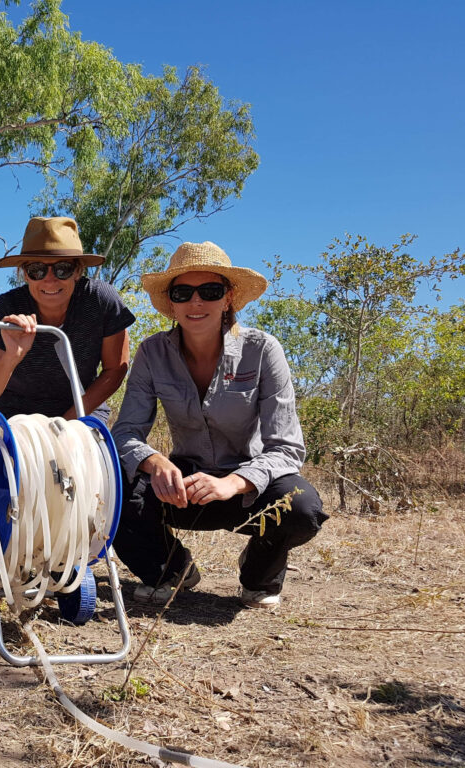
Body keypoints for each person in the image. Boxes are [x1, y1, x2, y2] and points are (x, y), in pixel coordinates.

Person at [111, 241, 327, 609]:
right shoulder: (152, 352)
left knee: (302, 508)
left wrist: (232, 483)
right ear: (172, 303)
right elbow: (125, 432)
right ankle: (172, 570)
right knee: (112, 490)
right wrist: (155, 462)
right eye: (183, 293)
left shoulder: (262, 349)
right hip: (186, 485)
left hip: (250, 487)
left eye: (209, 291)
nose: (196, 303)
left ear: (228, 298)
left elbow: (287, 447)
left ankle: (259, 574)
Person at [0, 216, 135, 421]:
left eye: (62, 268)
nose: (49, 279)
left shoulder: (100, 300)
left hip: (81, 413)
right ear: (24, 274)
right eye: (37, 269)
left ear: (78, 271)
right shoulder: (7, 308)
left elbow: (116, 369)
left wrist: (66, 424)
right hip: (12, 420)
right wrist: (11, 357)